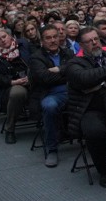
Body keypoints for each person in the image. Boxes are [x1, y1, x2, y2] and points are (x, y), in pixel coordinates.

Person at [64, 26, 106, 187]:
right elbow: (83, 79)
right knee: (94, 132)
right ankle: (104, 170)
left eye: (96, 39)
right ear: (81, 45)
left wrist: (100, 83)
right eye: (89, 41)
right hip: (91, 109)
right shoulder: (74, 63)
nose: (95, 43)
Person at [29, 24, 73, 167]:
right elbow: (45, 78)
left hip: (73, 92)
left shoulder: (68, 53)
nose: (53, 40)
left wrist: (59, 69)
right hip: (50, 94)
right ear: (42, 41)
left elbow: (76, 71)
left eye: (55, 37)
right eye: (48, 38)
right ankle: (52, 149)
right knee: (50, 106)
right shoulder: (36, 57)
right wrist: (66, 73)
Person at [0, 27, 33, 144]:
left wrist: (32, 77)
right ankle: (10, 128)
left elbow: (36, 61)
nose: (3, 40)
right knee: (18, 92)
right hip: (10, 85)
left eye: (4, 37)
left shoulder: (24, 46)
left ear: (10, 36)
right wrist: (14, 82)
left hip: (32, 79)